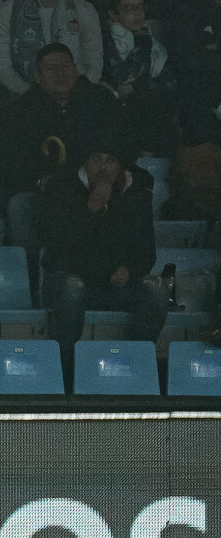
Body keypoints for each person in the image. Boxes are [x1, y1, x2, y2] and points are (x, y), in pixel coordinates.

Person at [36, 144, 166, 384]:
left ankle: (133, 367)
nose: (103, 168)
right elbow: (58, 250)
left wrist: (129, 269)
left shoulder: (137, 192)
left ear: (121, 166)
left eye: (111, 161)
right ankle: (67, 371)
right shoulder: (62, 188)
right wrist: (90, 209)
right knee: (71, 287)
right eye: (97, 159)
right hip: (71, 280)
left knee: (156, 290)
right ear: (85, 163)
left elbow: (146, 251)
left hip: (116, 285)